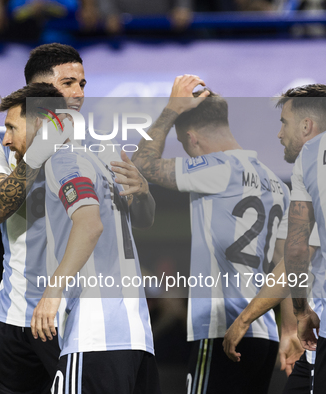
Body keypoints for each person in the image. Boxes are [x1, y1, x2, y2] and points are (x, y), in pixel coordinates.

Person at [0, 43, 153, 393]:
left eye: (82, 84)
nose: (78, 93)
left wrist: (143, 192)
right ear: (39, 91)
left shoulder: (99, 145)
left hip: (69, 314)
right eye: (68, 83)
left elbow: (140, 223)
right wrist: (40, 150)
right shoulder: (3, 139)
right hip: (16, 311)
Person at [131, 75, 290, 394]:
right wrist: (289, 329)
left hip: (222, 328)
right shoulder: (278, 185)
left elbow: (142, 164)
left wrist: (171, 110)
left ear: (193, 139)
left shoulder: (215, 167)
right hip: (265, 335)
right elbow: (289, 266)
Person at [12, 84, 160, 392]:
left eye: (13, 127)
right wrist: (144, 192)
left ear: (41, 123)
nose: (7, 139)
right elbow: (142, 220)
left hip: (95, 334)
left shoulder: (63, 159)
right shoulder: (104, 160)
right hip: (137, 334)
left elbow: (90, 225)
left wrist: (51, 293)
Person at [223, 225, 320, 392]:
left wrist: (244, 319)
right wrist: (291, 327)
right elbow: (284, 252)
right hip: (315, 342)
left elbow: (295, 258)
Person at [278, 84, 326, 392]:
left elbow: (295, 250)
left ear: (306, 126)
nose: (279, 134)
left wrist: (299, 312)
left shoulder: (310, 155)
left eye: (284, 123)